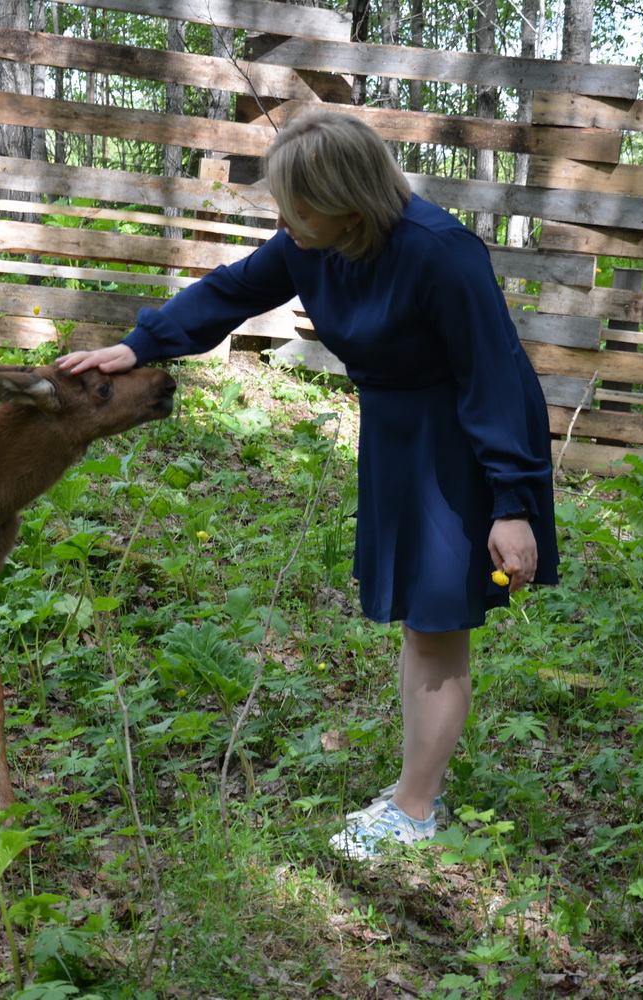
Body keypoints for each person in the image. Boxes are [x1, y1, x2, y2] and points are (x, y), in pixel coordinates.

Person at [58, 111, 558, 860]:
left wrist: (511, 504)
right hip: (397, 434)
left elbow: (488, 377)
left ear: (348, 201)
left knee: (438, 621)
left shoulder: (441, 252)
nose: (282, 222)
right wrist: (137, 347)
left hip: (464, 440)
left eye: (295, 206)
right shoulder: (309, 245)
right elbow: (227, 294)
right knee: (422, 620)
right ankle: (416, 791)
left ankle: (416, 811)